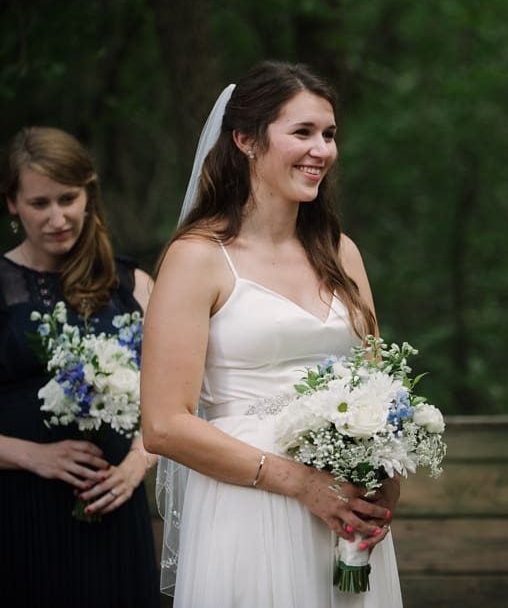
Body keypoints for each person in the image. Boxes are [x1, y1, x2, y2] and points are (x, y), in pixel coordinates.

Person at [140, 61, 403, 607]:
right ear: (246, 140)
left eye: (329, 135)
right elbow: (164, 426)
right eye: (302, 132)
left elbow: (381, 385)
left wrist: (387, 470)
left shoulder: (341, 252)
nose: (322, 150)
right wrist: (300, 483)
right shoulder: (197, 259)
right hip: (250, 508)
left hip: (345, 512)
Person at [0, 126, 159, 607]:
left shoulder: (135, 284)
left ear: (89, 194)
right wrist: (33, 456)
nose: (56, 217)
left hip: (116, 507)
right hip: (18, 514)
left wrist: (135, 466)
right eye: (39, 203)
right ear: (12, 204)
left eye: (67, 198)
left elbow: (173, 399)